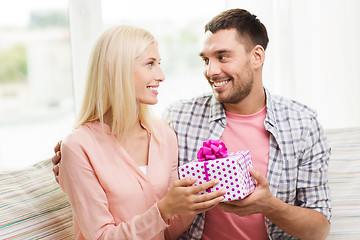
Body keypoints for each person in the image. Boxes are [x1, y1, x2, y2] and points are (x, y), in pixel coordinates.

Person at [53, 9, 332, 240]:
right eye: (205, 60)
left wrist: (268, 206)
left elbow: (319, 229)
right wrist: (71, 165)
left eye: (222, 57)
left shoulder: (302, 124)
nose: (211, 71)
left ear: (256, 57)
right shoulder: (179, 120)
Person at [56, 25, 226, 240]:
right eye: (150, 64)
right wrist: (163, 210)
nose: (161, 75)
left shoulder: (163, 136)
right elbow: (101, 237)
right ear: (116, 69)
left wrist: (192, 202)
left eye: (159, 64)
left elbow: (169, 233)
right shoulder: (78, 146)